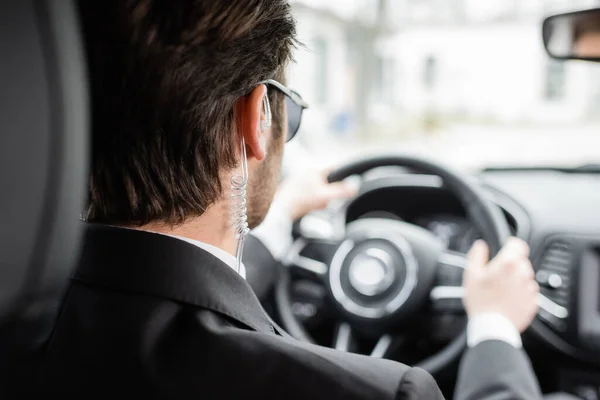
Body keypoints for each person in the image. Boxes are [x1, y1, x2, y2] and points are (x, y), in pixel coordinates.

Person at [36, 1, 541, 399]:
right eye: (288, 115)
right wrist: (494, 328)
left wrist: (274, 227)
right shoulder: (381, 392)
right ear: (257, 119)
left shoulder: (22, 334)